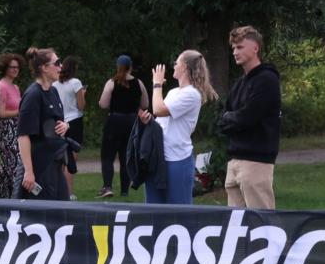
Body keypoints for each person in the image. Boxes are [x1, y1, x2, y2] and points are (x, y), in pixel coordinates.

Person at [138, 50, 218, 204]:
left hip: (177, 160)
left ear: (185, 67)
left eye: (177, 62)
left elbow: (158, 109)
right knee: (153, 211)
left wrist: (157, 84)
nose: (174, 65)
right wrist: (148, 121)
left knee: (178, 214)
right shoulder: (174, 92)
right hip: (158, 157)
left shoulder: (192, 94)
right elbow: (161, 118)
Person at [220, 25, 281, 210]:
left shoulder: (267, 79)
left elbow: (249, 116)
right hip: (234, 160)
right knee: (236, 226)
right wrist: (232, 119)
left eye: (240, 47)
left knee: (262, 222)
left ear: (255, 48)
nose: (235, 52)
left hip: (256, 160)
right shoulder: (239, 84)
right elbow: (222, 119)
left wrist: (231, 119)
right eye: (233, 48)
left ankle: (270, 241)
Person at [17, 47, 70, 201]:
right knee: (41, 216)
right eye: (57, 63)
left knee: (63, 210)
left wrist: (65, 126)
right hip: (39, 166)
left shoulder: (53, 91)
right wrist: (28, 171)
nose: (61, 67)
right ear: (44, 68)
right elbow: (23, 135)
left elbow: (57, 122)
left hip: (55, 164)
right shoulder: (33, 95)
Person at [97, 55, 149, 198]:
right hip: (131, 123)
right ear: (130, 66)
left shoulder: (111, 83)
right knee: (125, 156)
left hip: (114, 122)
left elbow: (103, 104)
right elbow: (145, 104)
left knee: (107, 156)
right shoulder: (139, 83)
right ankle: (125, 191)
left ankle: (107, 186)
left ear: (117, 66)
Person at [53, 56, 86, 200]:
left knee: (60, 159)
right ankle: (69, 192)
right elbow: (81, 105)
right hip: (74, 121)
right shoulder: (76, 83)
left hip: (59, 122)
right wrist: (83, 94)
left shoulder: (54, 84)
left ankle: (58, 191)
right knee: (71, 159)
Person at [0, 53, 23, 199]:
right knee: (11, 166)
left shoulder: (16, 87)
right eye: (12, 67)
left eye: (17, 67)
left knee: (16, 164)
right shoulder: (1, 86)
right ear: (5, 68)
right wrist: (21, 112)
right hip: (6, 130)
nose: (15, 70)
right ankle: (10, 197)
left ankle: (8, 197)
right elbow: (0, 113)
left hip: (17, 129)